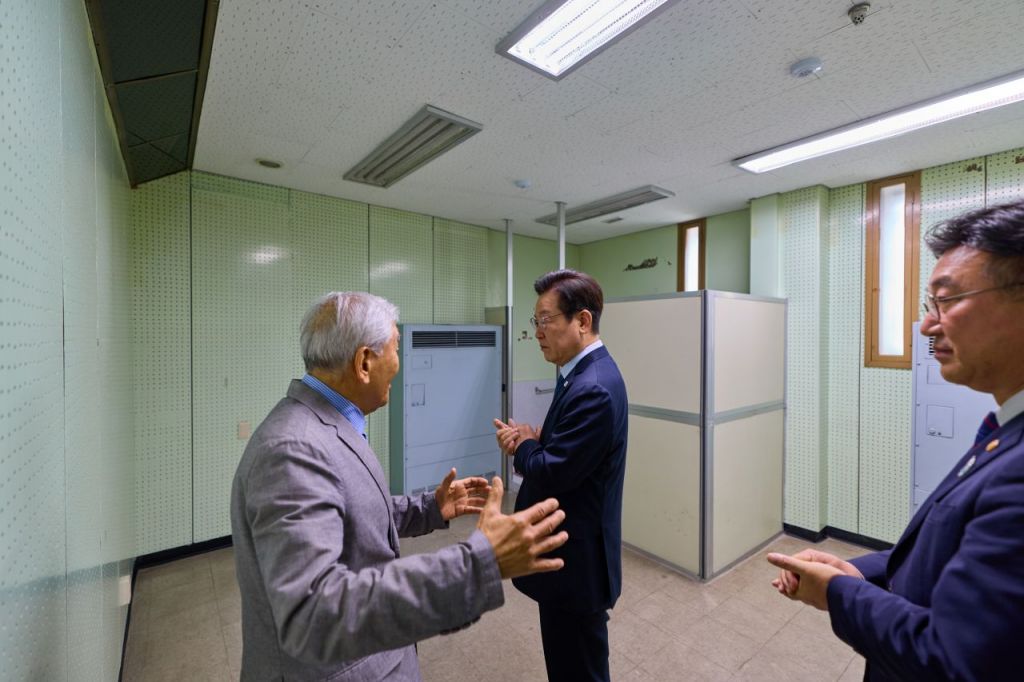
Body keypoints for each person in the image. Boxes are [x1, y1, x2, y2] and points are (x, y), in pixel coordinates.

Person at [231, 291, 569, 681]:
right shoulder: (292, 450)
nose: (400, 363)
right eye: (395, 349)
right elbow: (312, 615)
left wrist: (429, 508)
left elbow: (349, 511)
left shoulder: (327, 424)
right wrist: (479, 564)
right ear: (364, 362)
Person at [766, 201, 1024, 681]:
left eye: (946, 300)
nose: (927, 325)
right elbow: (941, 552)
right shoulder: (1003, 430)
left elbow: (953, 660)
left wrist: (837, 593)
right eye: (930, 305)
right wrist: (858, 573)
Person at [494, 269, 628, 682]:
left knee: (579, 671)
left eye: (546, 319)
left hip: (576, 567)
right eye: (535, 321)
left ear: (582, 321)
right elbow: (569, 456)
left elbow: (553, 473)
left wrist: (523, 446)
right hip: (568, 560)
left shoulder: (593, 388)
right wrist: (538, 440)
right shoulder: (581, 375)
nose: (537, 332)